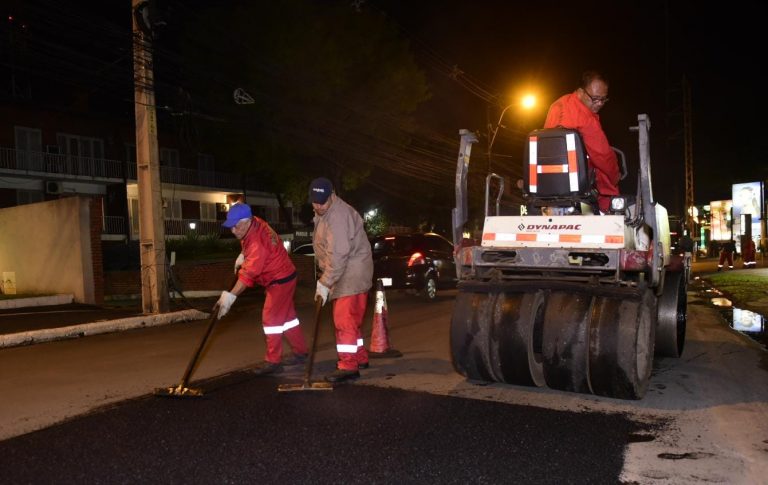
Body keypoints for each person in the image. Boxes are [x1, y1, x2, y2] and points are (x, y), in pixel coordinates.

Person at [214, 202, 308, 375]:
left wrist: (230, 297)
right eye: (231, 227)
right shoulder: (255, 222)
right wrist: (243, 254)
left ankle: (273, 361)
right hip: (285, 275)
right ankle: (301, 352)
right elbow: (248, 243)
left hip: (279, 280)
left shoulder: (257, 243)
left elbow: (247, 275)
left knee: (271, 319)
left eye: (236, 226)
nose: (233, 231)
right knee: (287, 319)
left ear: (247, 221)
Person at [309, 177, 373, 383]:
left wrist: (326, 282)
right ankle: (359, 357)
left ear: (332, 196)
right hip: (347, 269)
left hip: (351, 271)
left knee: (343, 320)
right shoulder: (324, 212)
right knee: (351, 321)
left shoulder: (338, 216)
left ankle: (348, 365)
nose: (318, 206)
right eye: (315, 202)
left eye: (322, 202)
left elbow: (338, 254)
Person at [544, 70, 621, 214]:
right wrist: (616, 175)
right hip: (575, 182)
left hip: (549, 180)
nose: (599, 104)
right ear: (580, 92)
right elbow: (603, 156)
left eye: (603, 99)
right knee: (607, 177)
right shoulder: (585, 117)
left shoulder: (557, 104)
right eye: (595, 98)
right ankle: (607, 211)